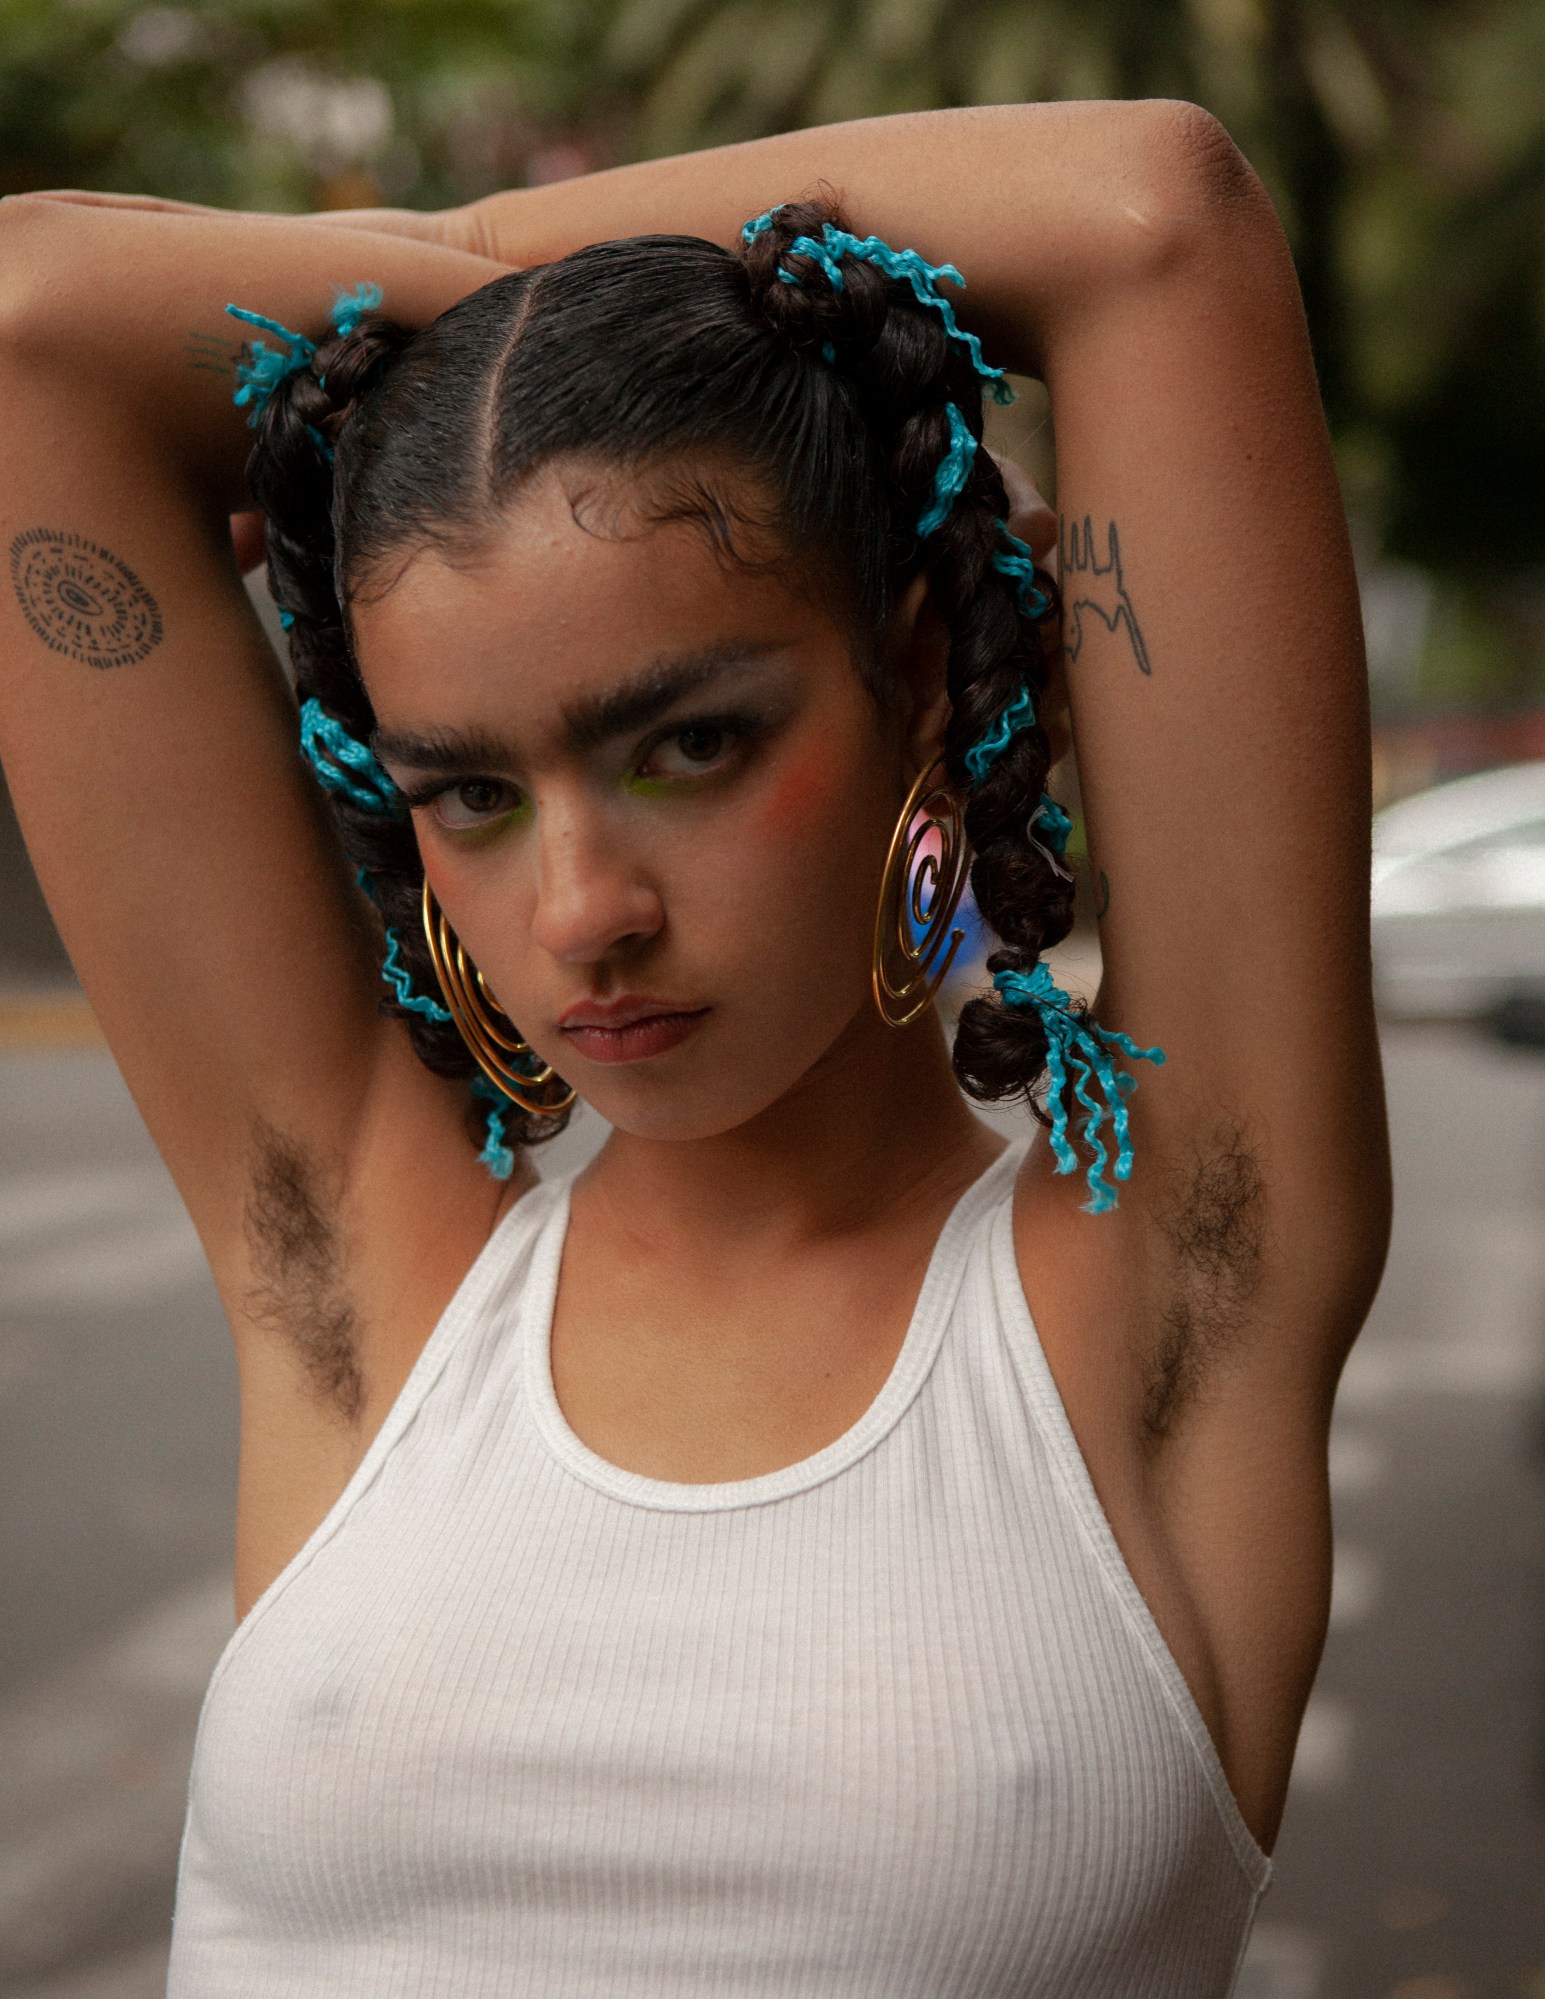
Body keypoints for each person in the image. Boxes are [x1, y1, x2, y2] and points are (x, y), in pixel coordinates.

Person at [0, 100, 1390, 1996]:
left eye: (690, 745)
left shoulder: (1172, 1286)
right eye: (472, 793)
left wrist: (524, 265)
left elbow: (1154, 219)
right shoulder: (364, 1278)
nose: (581, 911)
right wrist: (493, 319)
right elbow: (30, 321)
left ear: (914, 674)